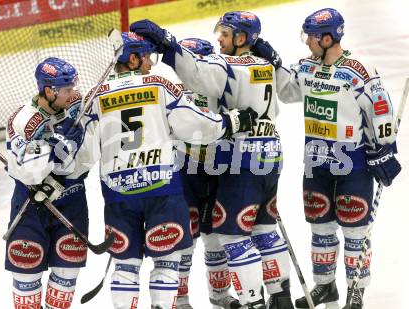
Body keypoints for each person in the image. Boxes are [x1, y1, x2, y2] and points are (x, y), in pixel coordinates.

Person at [130, 11, 294, 309]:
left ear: (242, 38)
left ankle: (253, 302)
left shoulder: (225, 65)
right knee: (264, 228)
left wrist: (168, 45)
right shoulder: (264, 64)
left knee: (231, 233)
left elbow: (195, 73)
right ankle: (281, 297)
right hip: (271, 153)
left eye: (226, 34)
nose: (219, 39)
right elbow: (290, 91)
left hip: (240, 159)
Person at [86, 31, 257, 309]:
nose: (151, 64)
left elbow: (83, 153)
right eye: (146, 58)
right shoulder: (158, 86)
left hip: (119, 194)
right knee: (167, 263)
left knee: (125, 267)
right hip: (161, 190)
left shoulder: (96, 97)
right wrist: (232, 123)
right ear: (132, 58)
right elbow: (198, 127)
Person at [253, 7, 402, 309]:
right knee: (320, 229)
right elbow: (287, 91)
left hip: (353, 162)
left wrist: (383, 148)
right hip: (316, 161)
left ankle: (355, 291)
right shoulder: (307, 68)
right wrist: (275, 62)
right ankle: (326, 286)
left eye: (310, 36)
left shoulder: (358, 70)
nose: (306, 41)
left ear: (327, 37)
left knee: (356, 232)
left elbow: (381, 109)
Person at [5, 57, 92, 309]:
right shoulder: (23, 120)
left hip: (72, 201)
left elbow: (87, 160)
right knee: (26, 289)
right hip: (30, 208)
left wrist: (72, 147)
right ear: (48, 91)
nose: (72, 94)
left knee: (65, 284)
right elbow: (29, 173)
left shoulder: (77, 108)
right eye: (66, 90)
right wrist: (55, 150)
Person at [174, 38, 240, 309]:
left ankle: (220, 294)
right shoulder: (173, 92)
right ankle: (180, 299)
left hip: (217, 170)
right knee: (184, 239)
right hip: (183, 173)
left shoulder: (221, 91)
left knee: (214, 235)